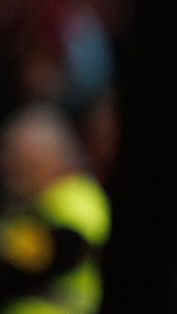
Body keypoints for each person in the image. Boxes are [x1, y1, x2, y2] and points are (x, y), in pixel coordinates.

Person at [0, 105, 110, 314]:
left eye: (18, 157)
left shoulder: (78, 198)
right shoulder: (36, 202)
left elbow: (57, 250)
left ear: (49, 154)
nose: (9, 169)